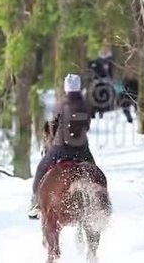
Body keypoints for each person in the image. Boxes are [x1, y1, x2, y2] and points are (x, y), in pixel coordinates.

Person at [28, 74, 95, 219]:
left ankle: (35, 203)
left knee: (41, 168)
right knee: (93, 170)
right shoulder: (86, 105)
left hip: (61, 149)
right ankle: (96, 200)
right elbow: (87, 125)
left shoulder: (60, 104)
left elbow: (53, 126)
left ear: (66, 88)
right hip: (82, 149)